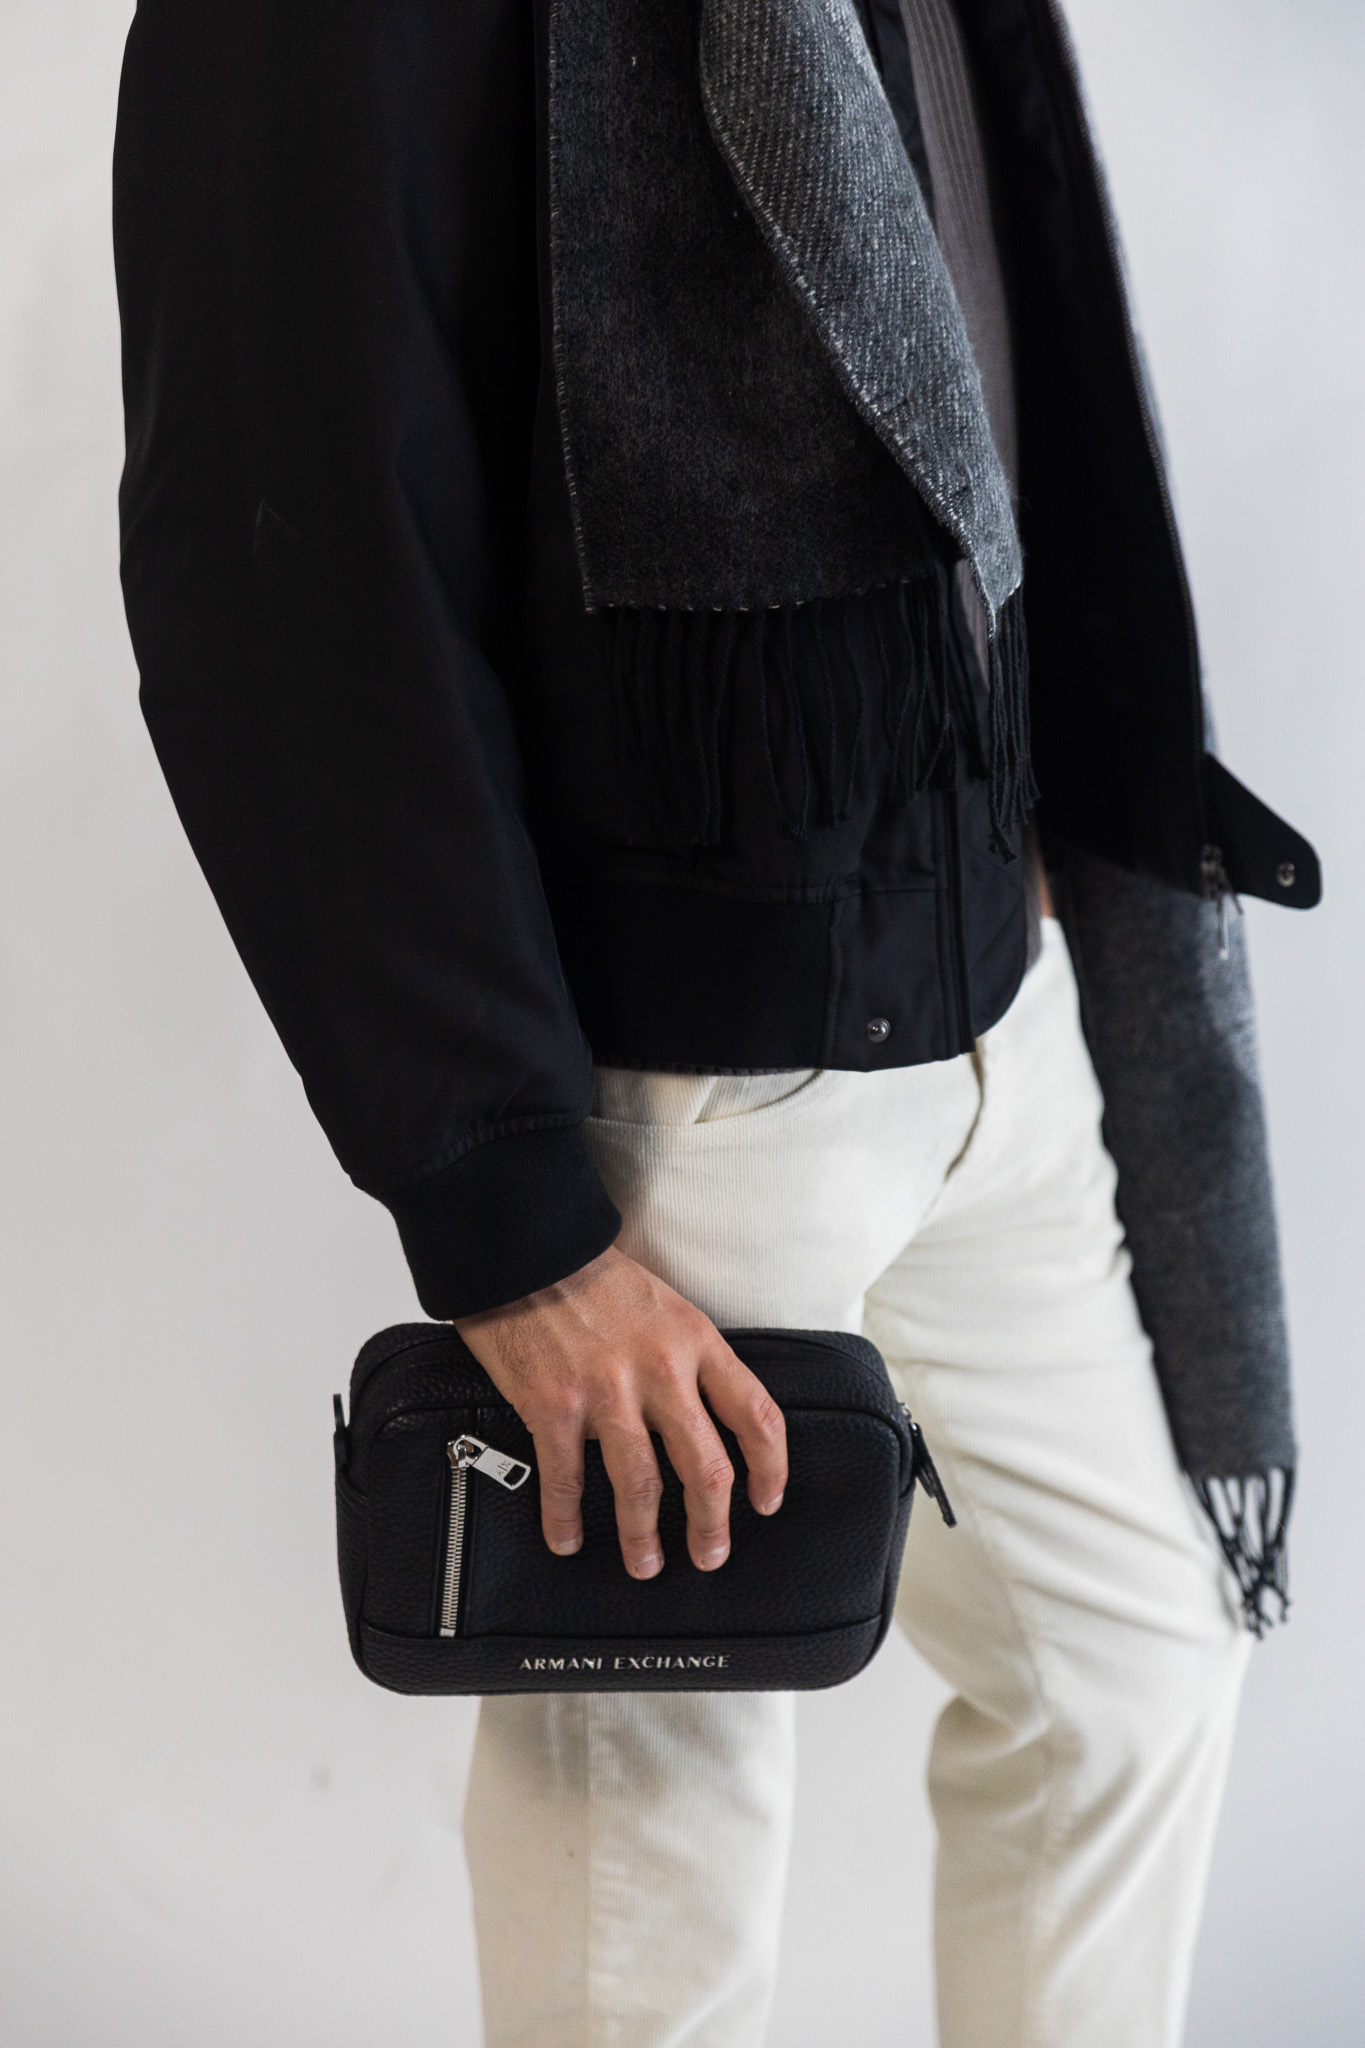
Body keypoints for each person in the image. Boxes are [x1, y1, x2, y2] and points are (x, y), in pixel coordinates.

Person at [112, 0, 1319, 2039]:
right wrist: (509, 1219)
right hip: (676, 1112)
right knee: (650, 1907)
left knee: (1127, 1676)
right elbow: (279, 553)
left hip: (987, 1004)